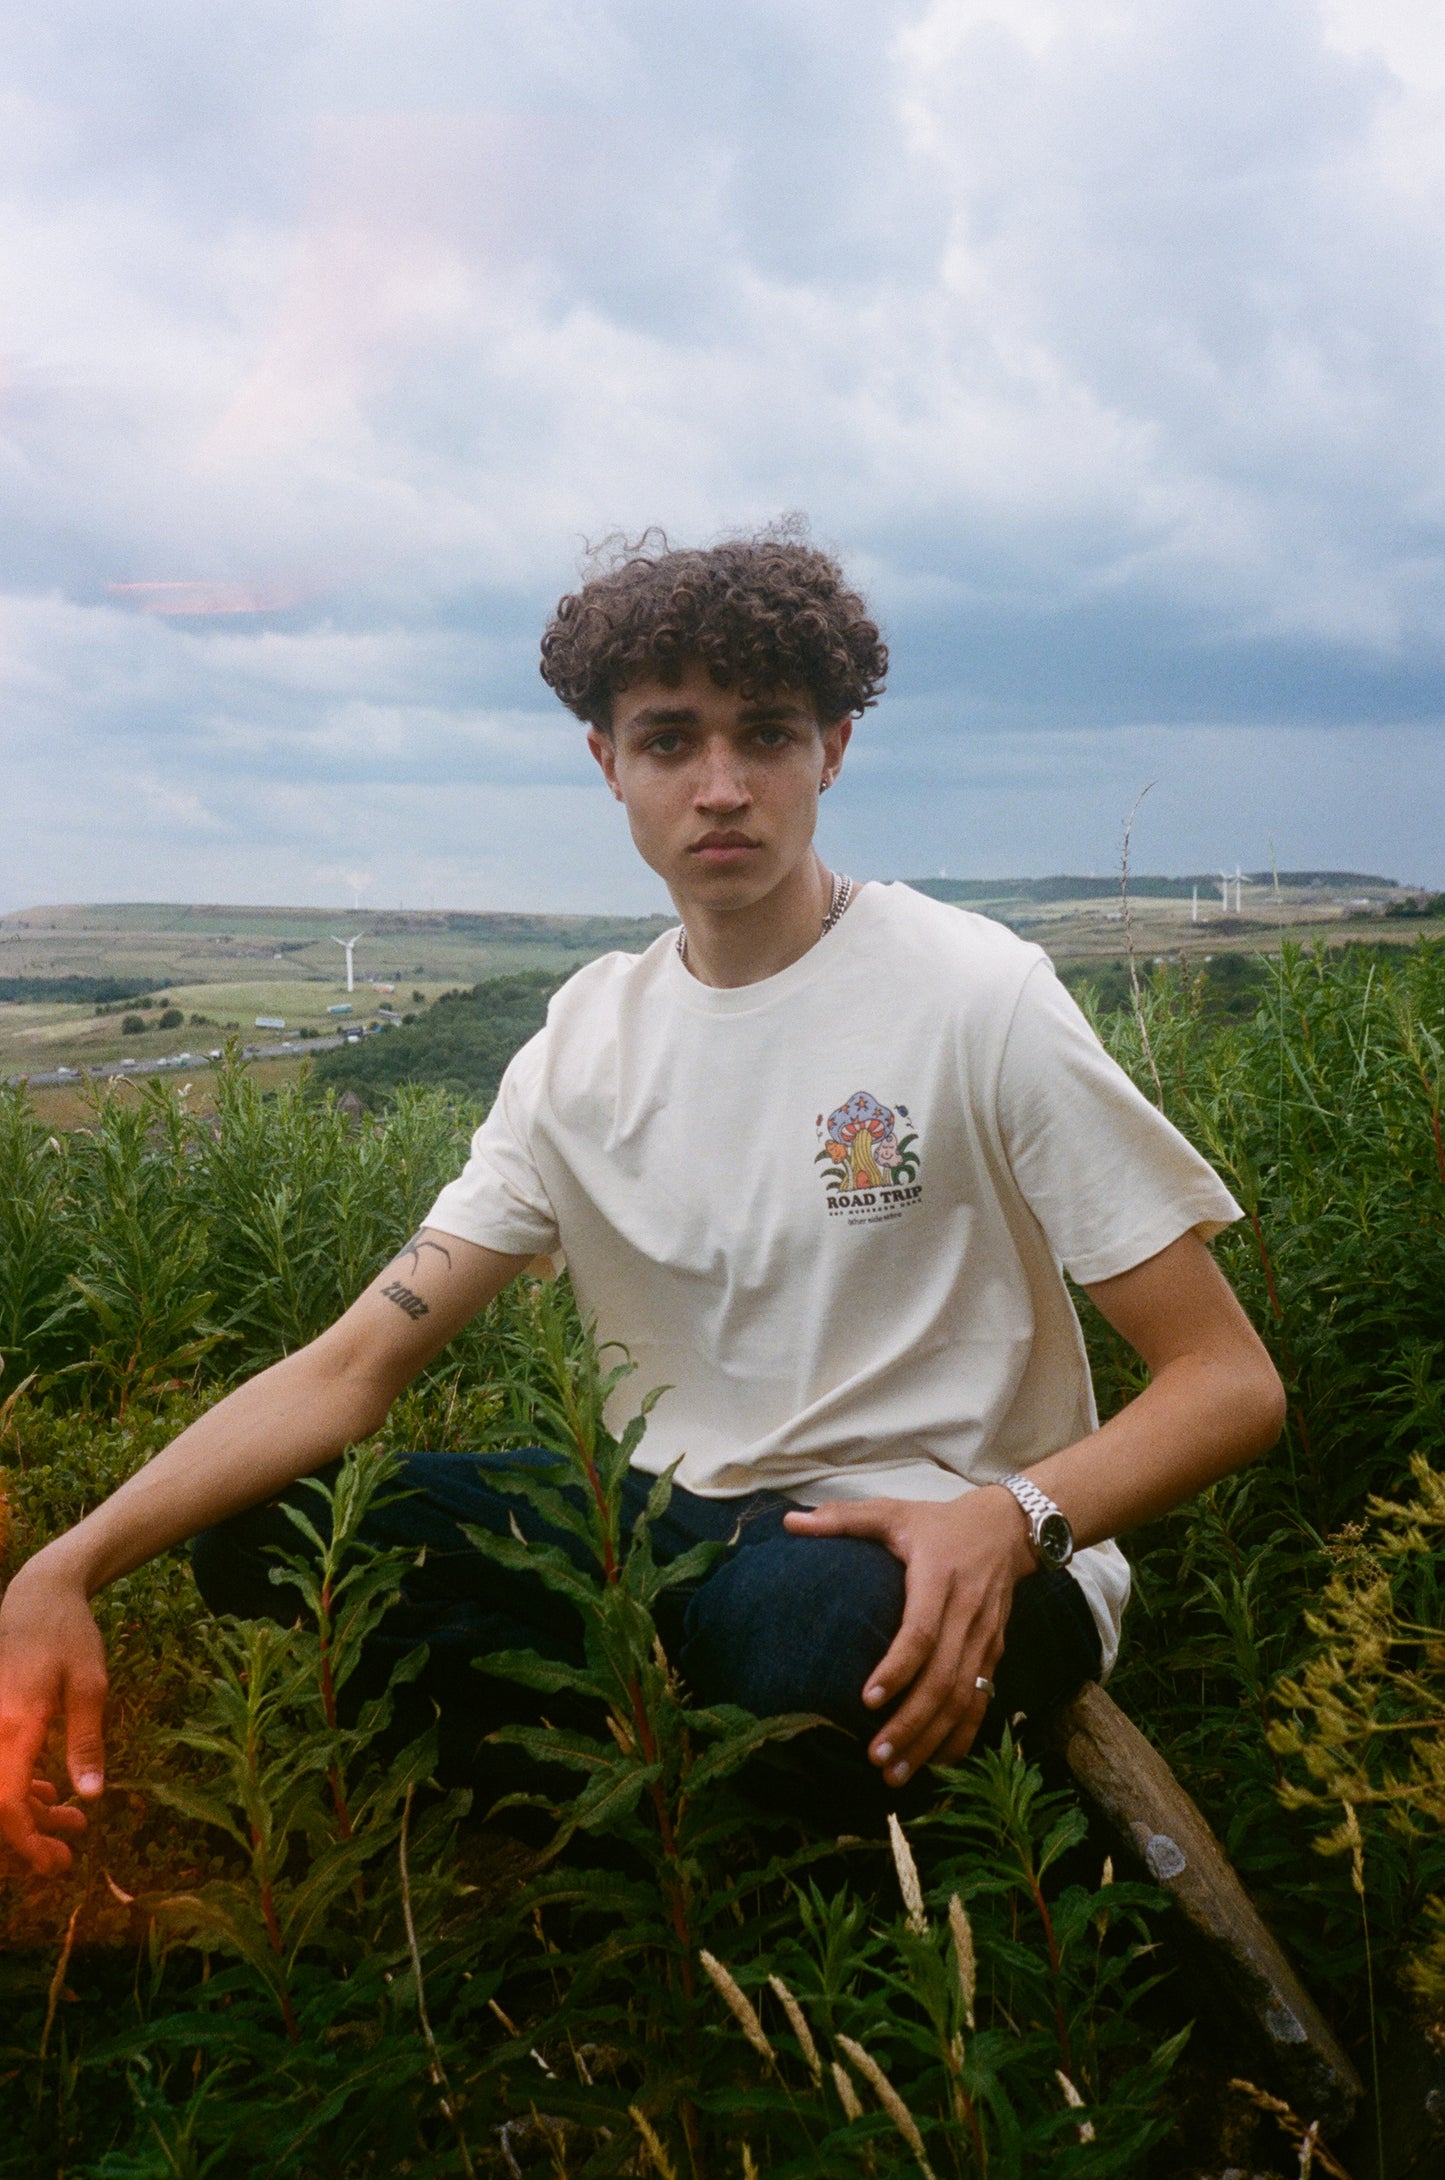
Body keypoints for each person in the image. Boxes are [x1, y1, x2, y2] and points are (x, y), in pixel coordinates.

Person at [0, 530, 1285, 1873]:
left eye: (767, 735)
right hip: (666, 1526)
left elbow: (1227, 1381)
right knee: (269, 1531)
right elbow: (354, 1362)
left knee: (815, 1643)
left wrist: (1011, 1521)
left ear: (834, 749)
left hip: (929, 1541)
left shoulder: (978, 995)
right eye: (670, 741)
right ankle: (666, 1799)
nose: (720, 788)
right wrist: (63, 1567)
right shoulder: (582, 1047)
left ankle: (681, 1808)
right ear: (607, 762)